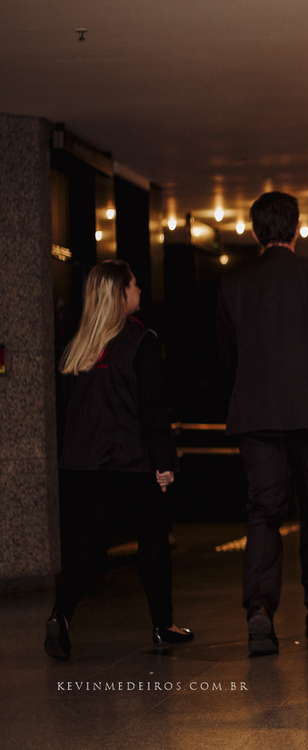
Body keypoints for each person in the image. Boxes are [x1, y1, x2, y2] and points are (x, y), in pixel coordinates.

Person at [216, 191, 308, 654]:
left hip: (256, 415)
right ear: (297, 228)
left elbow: (226, 355)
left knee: (263, 513)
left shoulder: (233, 283)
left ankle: (259, 608)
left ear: (256, 233)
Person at [47, 260, 192, 659]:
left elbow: (69, 410)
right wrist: (165, 461)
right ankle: (163, 625)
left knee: (87, 540)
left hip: (82, 462)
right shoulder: (140, 340)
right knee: (152, 537)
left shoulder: (77, 347)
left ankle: (61, 615)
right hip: (131, 459)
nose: (139, 290)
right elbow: (152, 407)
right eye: (134, 285)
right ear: (120, 293)